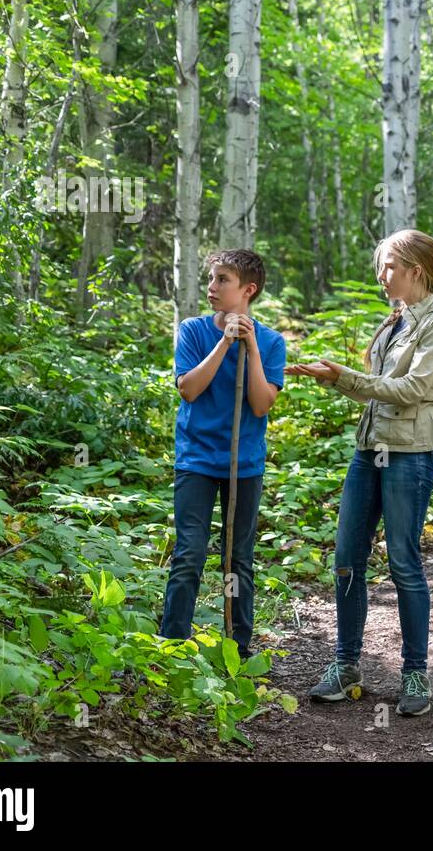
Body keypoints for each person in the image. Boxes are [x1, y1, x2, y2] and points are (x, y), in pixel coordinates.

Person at [287, 229, 433, 717]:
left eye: (389, 266)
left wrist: (343, 376)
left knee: (403, 559)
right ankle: (346, 666)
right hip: (370, 449)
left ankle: (415, 671)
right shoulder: (396, 321)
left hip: (411, 451)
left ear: (416, 269)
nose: (381, 275)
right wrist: (335, 378)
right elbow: (378, 391)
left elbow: (410, 389)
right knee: (347, 556)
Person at [161, 249, 286, 659]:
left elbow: (260, 403)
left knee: (237, 557)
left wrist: (249, 346)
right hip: (196, 460)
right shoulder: (194, 330)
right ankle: (173, 643)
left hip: (243, 465)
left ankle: (238, 647)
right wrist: (223, 343)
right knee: (190, 551)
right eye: (211, 279)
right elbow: (189, 389)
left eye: (222, 280)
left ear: (248, 290)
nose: (211, 288)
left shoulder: (271, 342)